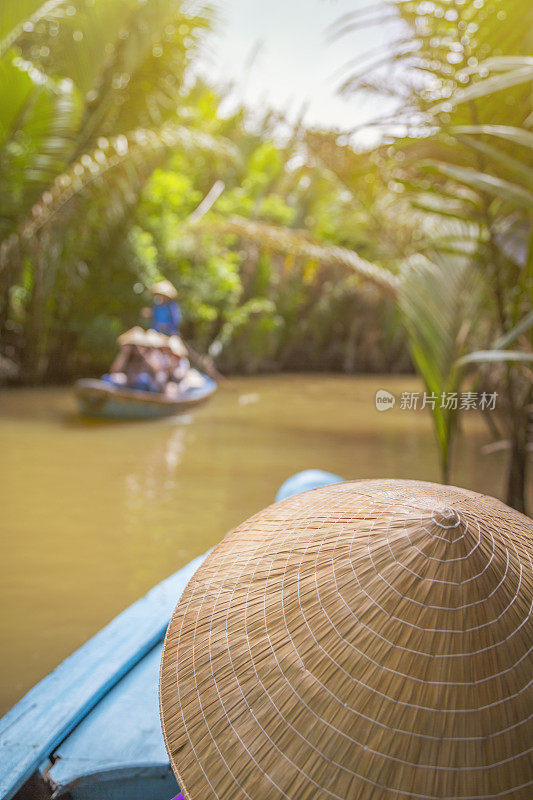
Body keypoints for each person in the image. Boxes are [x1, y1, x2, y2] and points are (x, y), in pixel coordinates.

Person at [102, 327, 160, 392]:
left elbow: (155, 371)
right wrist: (124, 353)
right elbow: (114, 371)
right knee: (106, 378)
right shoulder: (127, 357)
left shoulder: (148, 357)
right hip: (128, 385)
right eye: (134, 345)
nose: (137, 348)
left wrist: (144, 353)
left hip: (142, 389)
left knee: (144, 380)